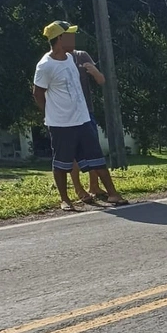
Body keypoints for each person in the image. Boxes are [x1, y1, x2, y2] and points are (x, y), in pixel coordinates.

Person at [33, 21, 128, 210]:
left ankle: (113, 194)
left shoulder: (70, 58)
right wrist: (51, 114)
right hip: (61, 124)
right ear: (59, 39)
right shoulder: (45, 66)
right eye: (69, 35)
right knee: (62, 163)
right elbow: (37, 94)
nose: (73, 39)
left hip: (82, 119)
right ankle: (65, 200)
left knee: (96, 157)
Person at [67, 41, 107, 204]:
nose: (72, 38)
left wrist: (94, 72)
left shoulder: (81, 55)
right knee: (72, 153)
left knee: (93, 149)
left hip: (86, 111)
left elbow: (101, 80)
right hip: (67, 114)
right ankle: (79, 189)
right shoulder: (54, 60)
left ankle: (94, 186)